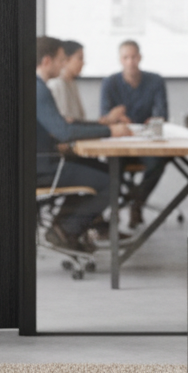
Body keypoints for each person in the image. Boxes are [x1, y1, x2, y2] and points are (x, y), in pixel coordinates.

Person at [36, 37, 131, 251]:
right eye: (61, 60)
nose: (63, 65)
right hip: (45, 167)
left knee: (104, 170)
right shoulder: (40, 89)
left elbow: (62, 126)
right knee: (111, 180)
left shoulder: (37, 86)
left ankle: (65, 225)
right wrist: (110, 130)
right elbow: (64, 132)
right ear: (47, 60)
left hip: (44, 162)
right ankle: (66, 229)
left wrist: (106, 127)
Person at [99, 40, 168, 222]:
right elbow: (104, 118)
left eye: (133, 56)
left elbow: (162, 114)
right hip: (121, 145)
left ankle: (136, 201)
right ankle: (129, 203)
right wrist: (115, 118)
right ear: (120, 60)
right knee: (112, 167)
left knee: (159, 162)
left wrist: (154, 121)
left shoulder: (155, 80)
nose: (130, 61)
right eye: (125, 57)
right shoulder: (110, 82)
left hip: (147, 143)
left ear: (140, 57)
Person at [47, 40, 87, 122]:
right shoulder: (57, 84)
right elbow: (65, 121)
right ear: (66, 59)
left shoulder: (71, 82)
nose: (83, 63)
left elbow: (80, 118)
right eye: (80, 58)